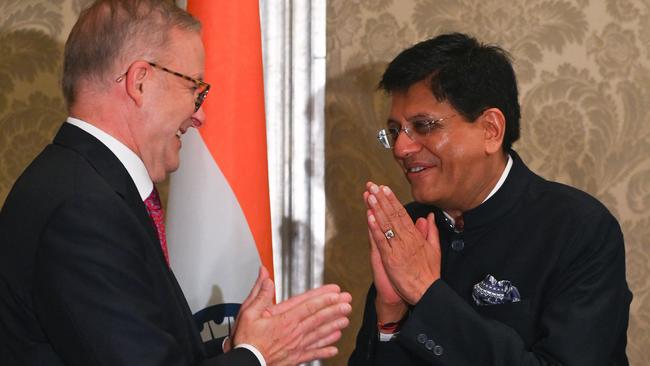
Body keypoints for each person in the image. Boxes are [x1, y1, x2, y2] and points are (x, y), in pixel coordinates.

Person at [0, 1, 352, 365]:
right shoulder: (84, 208)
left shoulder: (86, 185)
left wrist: (233, 350)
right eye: (194, 89)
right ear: (140, 81)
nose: (200, 115)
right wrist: (256, 356)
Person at [349, 33, 631, 365]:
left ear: (490, 130)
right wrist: (391, 315)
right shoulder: (408, 226)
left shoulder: (578, 228)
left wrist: (427, 294)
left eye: (423, 126)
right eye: (395, 130)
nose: (401, 149)